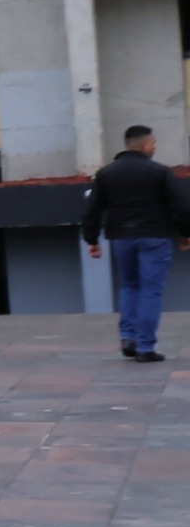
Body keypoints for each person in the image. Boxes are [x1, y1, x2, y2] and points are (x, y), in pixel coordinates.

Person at [82, 123, 190, 362]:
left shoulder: (106, 173)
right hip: (155, 236)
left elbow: (93, 209)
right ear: (145, 145)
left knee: (129, 287)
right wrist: (185, 234)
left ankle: (128, 337)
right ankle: (145, 347)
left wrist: (91, 239)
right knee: (151, 290)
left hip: (121, 237)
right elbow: (181, 207)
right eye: (154, 143)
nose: (155, 147)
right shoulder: (160, 172)